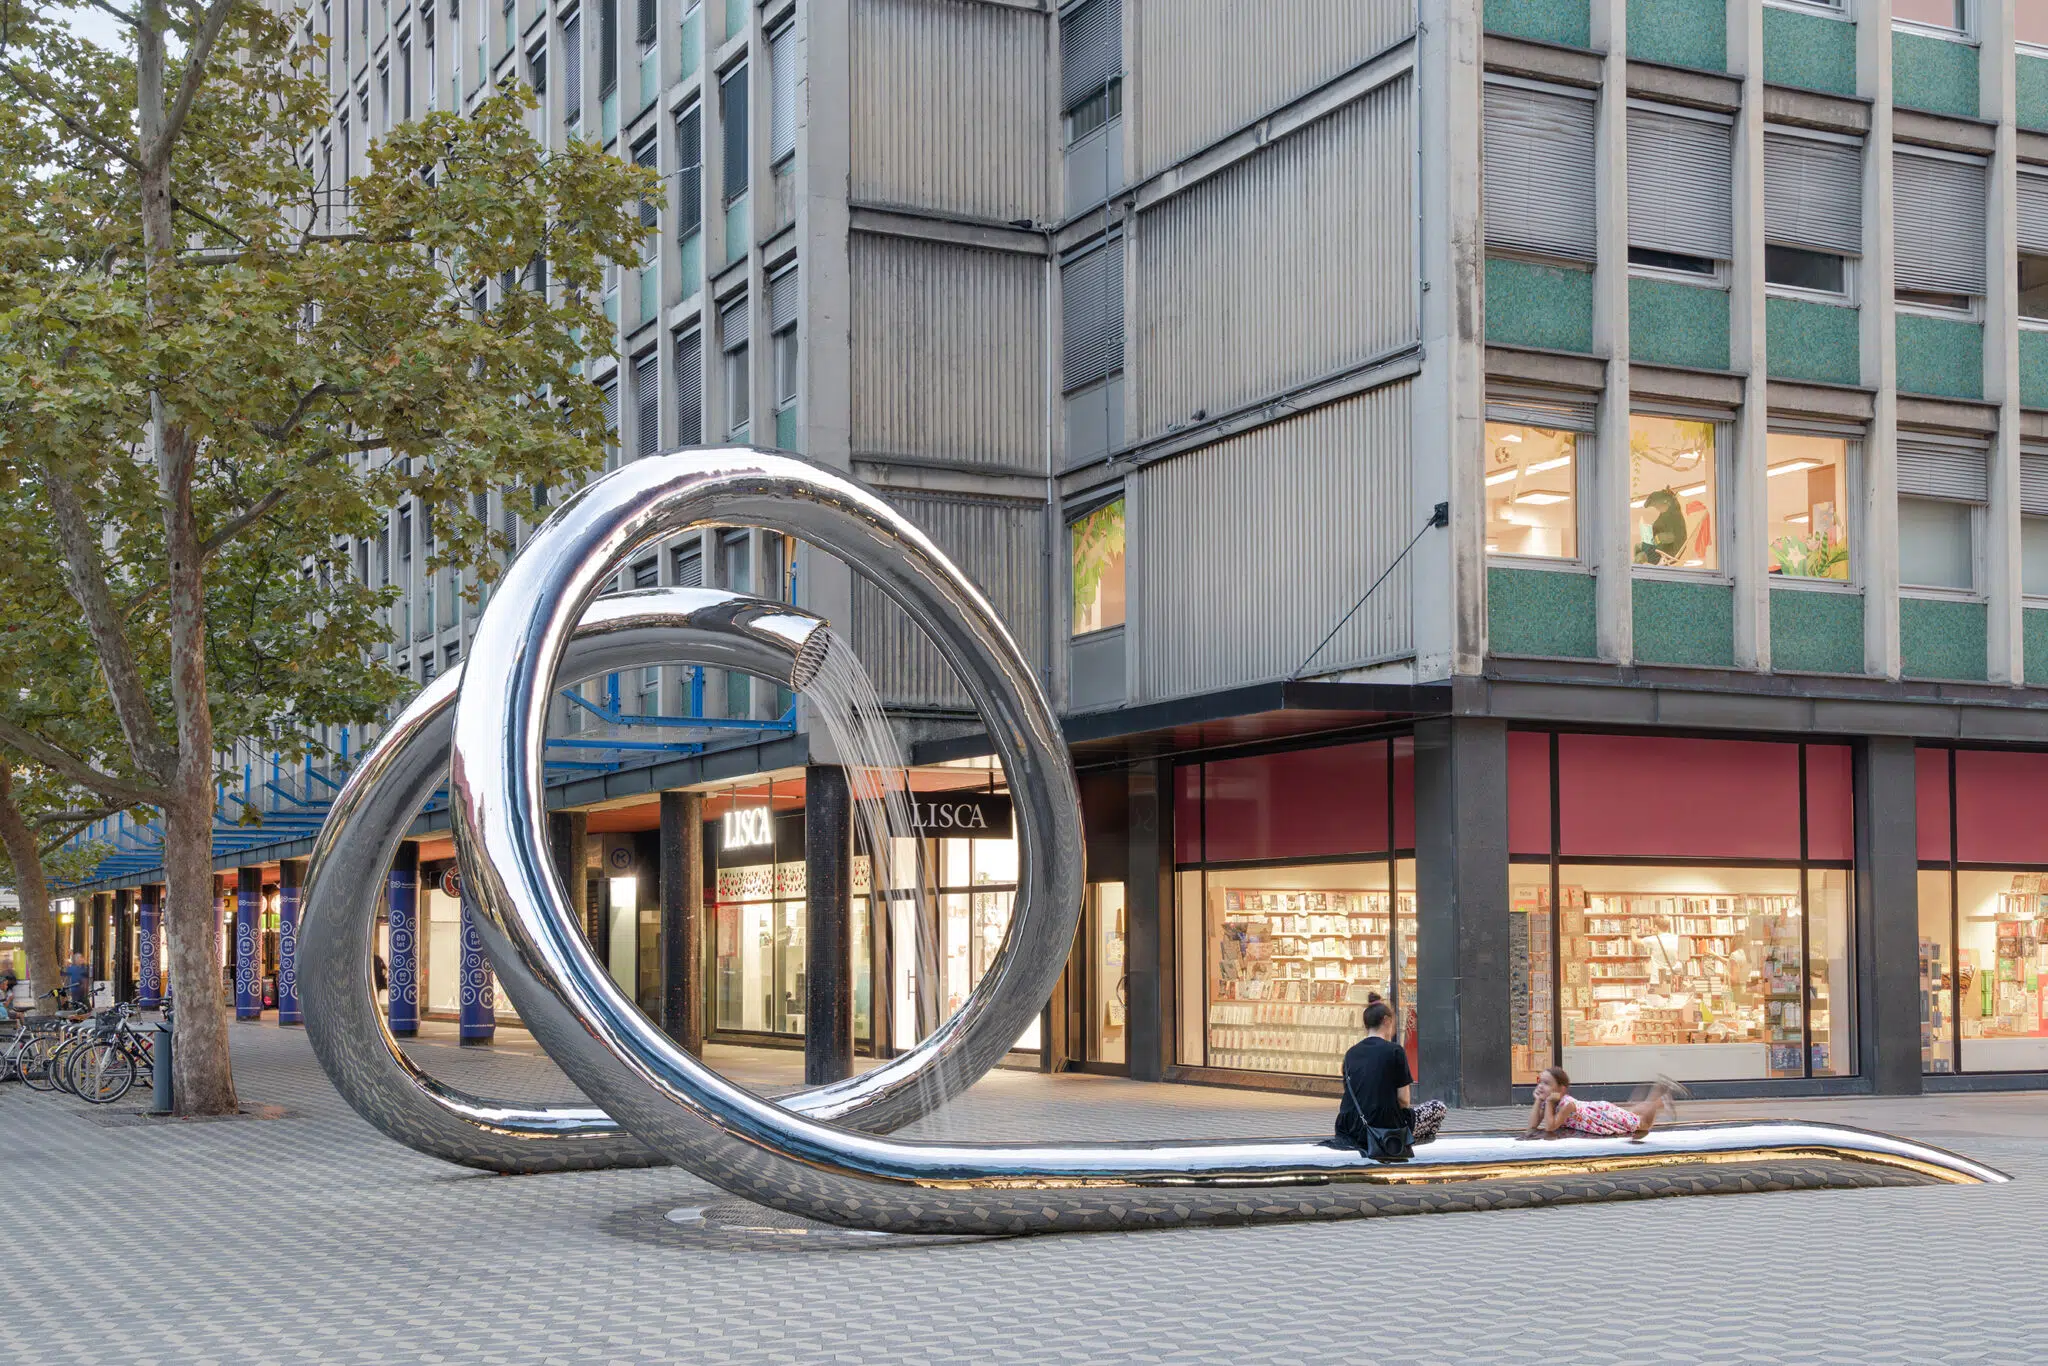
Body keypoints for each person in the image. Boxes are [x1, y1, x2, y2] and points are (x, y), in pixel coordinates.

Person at [1333, 1000, 1446, 1154]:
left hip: (1349, 1126)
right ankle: (1401, 1148)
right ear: (1387, 1021)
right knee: (1437, 1108)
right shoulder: (1394, 1051)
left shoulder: (1351, 1053)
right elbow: (1403, 1100)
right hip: (1383, 1124)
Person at [1525, 1066, 1681, 1140]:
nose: (1541, 1086)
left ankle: (1659, 1101)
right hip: (1597, 1112)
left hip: (1602, 1115)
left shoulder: (1566, 1105)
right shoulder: (1548, 1101)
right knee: (1631, 1115)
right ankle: (1658, 1091)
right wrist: (1538, 1101)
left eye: (1547, 1083)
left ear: (1561, 1089)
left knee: (1643, 1124)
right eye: (1540, 1082)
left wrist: (1550, 1103)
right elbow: (1533, 1125)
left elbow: (1550, 1126)